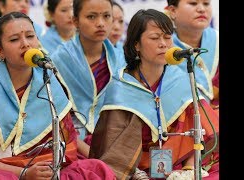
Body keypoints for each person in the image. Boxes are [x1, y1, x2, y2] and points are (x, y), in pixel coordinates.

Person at [0, 11, 116, 180]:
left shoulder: (48, 80)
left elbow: (69, 137)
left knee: (97, 168)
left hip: (49, 167)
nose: (25, 44)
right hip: (6, 170)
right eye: (14, 40)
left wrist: (100, 160)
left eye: (30, 36)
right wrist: (25, 173)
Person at [89, 9, 219, 180]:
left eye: (167, 37)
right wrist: (135, 174)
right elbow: (114, 152)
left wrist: (188, 170)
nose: (163, 44)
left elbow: (200, 134)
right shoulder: (121, 87)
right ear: (136, 44)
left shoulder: (181, 80)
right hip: (133, 172)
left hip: (180, 168)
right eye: (155, 38)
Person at [50, 0, 126, 147]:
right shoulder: (59, 60)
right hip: (70, 140)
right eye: (92, 17)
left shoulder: (121, 61)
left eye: (106, 16)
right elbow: (53, 115)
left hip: (112, 137)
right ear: (76, 21)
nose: (100, 23)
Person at [165, 0, 219, 110]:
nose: (202, 9)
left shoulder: (217, 41)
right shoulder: (162, 50)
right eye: (193, 3)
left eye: (206, 4)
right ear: (173, 11)